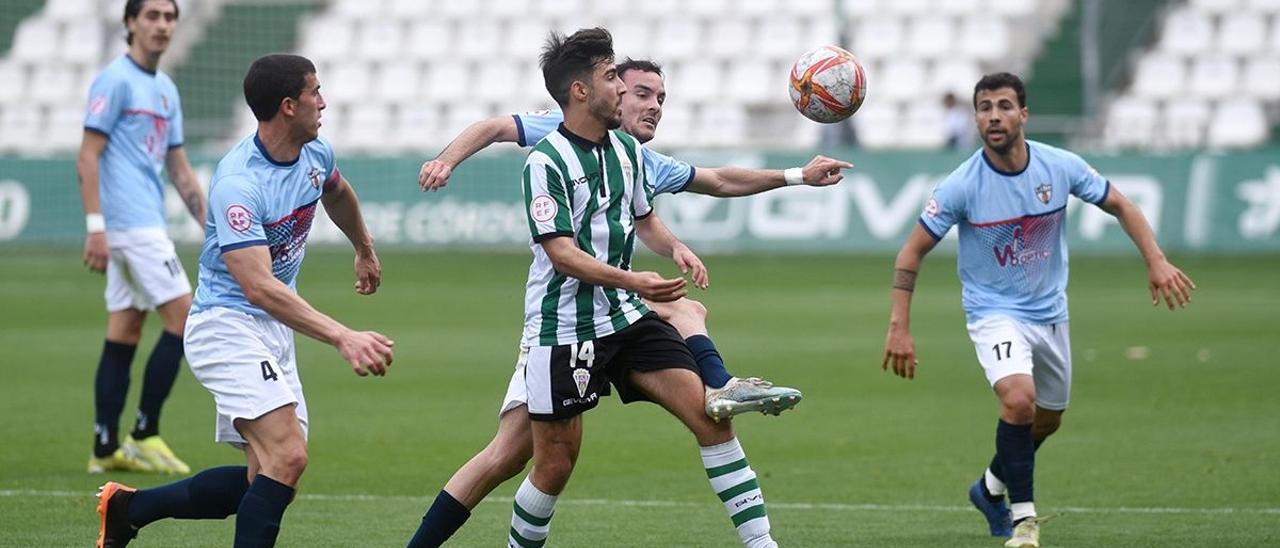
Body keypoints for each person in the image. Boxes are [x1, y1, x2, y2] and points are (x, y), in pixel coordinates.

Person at [405, 58, 850, 546]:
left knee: (707, 407)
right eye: (640, 92)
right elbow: (494, 128)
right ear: (600, 92)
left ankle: (751, 500)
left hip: (623, 312)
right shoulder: (558, 138)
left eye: (661, 98)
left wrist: (795, 177)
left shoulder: (634, 156)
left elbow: (699, 190)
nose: (652, 105)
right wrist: (446, 159)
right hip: (563, 324)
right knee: (523, 458)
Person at [882, 73, 1196, 548]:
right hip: (993, 312)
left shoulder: (1058, 166)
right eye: (984, 107)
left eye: (1004, 106)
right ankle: (1024, 521)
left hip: (1050, 313)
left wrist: (1156, 260)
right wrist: (898, 328)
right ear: (975, 117)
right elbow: (910, 253)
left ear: (1023, 115)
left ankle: (989, 488)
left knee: (1047, 419)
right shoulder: (961, 185)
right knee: (1018, 400)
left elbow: (1121, 204)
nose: (993, 115)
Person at [94, 53, 395, 548]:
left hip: (271, 329)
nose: (324, 101)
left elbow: (337, 193)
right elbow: (257, 287)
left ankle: (131, 508)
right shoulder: (238, 184)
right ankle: (131, 508)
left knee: (271, 479)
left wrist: (363, 247)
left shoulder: (315, 153)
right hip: (225, 325)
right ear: (287, 107)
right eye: (314, 92)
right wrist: (342, 336)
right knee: (288, 458)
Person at [79, 0, 205, 475]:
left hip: (144, 221)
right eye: (152, 16)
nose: (162, 25)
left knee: (126, 327)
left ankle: (105, 444)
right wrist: (96, 227)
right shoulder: (114, 80)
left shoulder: (165, 89)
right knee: (184, 317)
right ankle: (145, 432)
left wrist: (211, 226)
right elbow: (87, 155)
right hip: (131, 226)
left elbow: (178, 168)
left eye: (170, 17)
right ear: (130, 23)